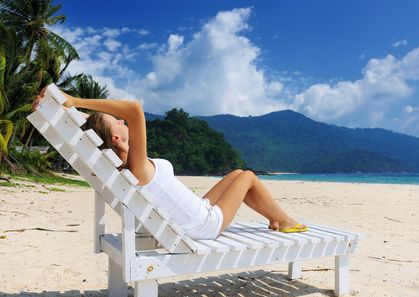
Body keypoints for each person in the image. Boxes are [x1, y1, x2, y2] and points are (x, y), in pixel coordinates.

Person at [32, 90, 308, 240]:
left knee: (236, 173)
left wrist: (64, 107)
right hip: (203, 224)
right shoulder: (135, 166)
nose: (123, 121)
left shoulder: (129, 163)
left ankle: (274, 218)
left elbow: (97, 128)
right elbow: (135, 108)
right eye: (117, 122)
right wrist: (75, 100)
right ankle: (283, 220)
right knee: (247, 176)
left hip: (197, 209)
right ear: (116, 137)